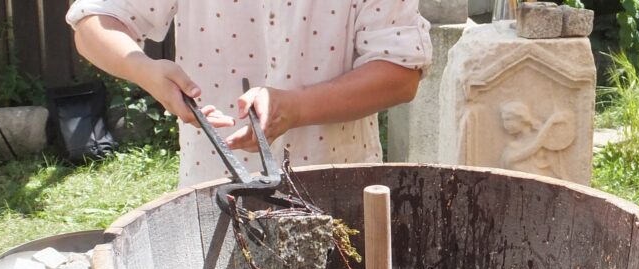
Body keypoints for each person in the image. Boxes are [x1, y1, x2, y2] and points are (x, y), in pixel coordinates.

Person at [66, 1, 433, 187]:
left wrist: (296, 107)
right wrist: (143, 70)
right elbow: (93, 21)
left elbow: (401, 73)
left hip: (336, 187)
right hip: (211, 188)